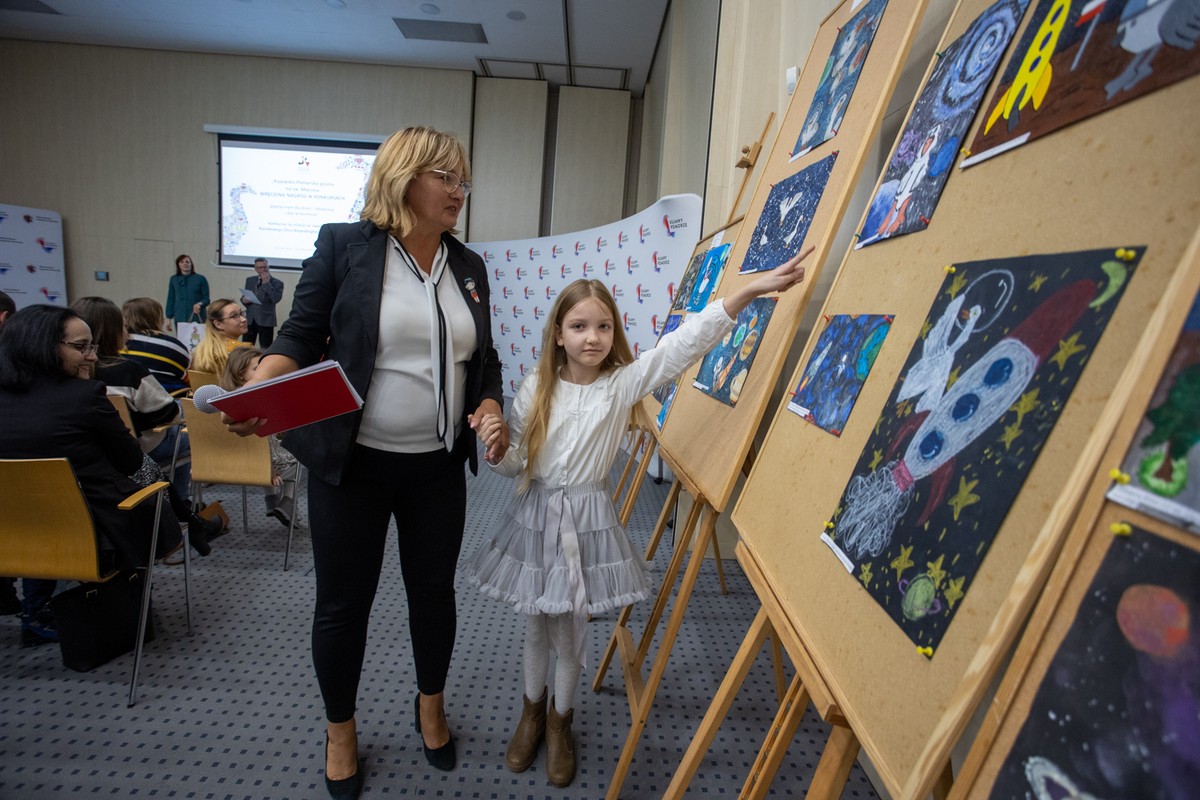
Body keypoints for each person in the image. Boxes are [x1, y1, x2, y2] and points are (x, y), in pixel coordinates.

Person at [222, 126, 507, 799]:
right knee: (343, 603)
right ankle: (341, 732)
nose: (459, 191)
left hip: (437, 466)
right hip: (353, 465)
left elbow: (484, 359)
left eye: (463, 180)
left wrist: (491, 406)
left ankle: (430, 707)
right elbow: (299, 335)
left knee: (433, 594)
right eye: (445, 177)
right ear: (403, 178)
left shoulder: (469, 266)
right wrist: (260, 385)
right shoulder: (343, 246)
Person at [463, 246, 813, 786]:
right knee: (536, 624)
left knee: (570, 631)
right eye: (579, 326)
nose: (592, 337)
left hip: (587, 522)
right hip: (536, 516)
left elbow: (681, 347)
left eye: (603, 326)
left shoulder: (621, 383)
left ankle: (559, 721)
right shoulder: (536, 387)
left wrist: (745, 292)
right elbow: (516, 465)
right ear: (558, 334)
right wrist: (496, 449)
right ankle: (530, 715)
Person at [0, 305, 184, 645]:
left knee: (41, 507)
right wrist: (169, 496)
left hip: (11, 537)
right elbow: (132, 462)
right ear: (43, 346)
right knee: (149, 490)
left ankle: (34, 611)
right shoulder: (83, 397)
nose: (92, 356)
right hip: (87, 537)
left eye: (92, 346)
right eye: (81, 347)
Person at [69, 296, 217, 555]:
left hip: (83, 461)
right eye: (123, 326)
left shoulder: (62, 377)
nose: (127, 332)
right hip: (136, 454)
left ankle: (182, 512)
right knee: (183, 432)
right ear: (112, 331)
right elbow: (168, 412)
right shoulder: (128, 371)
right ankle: (181, 508)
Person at [220, 346, 300, 527]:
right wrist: (267, 470)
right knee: (297, 451)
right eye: (258, 369)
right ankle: (287, 500)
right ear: (241, 374)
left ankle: (271, 497)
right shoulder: (260, 400)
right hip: (263, 463)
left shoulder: (223, 400)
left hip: (226, 462)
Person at [121, 297, 191, 396]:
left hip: (125, 402)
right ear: (157, 319)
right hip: (168, 400)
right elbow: (187, 377)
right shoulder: (172, 346)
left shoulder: (116, 345)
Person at [189, 298, 249, 376]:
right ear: (218, 324)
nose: (243, 319)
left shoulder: (201, 350)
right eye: (234, 316)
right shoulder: (242, 351)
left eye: (241, 313)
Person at [241, 258, 285, 348]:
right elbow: (246, 296)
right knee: (246, 347)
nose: (263, 270)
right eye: (260, 267)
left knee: (265, 347)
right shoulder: (250, 280)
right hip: (250, 318)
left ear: (268, 267)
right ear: (255, 269)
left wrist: (266, 283)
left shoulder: (277, 283)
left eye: (265, 267)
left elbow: (275, 299)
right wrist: (243, 300)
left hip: (266, 319)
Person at [165, 254, 210, 333]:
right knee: (181, 338)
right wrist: (168, 318)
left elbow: (206, 299)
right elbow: (171, 298)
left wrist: (199, 304)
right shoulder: (174, 279)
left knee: (196, 338)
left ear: (191, 264)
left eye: (187, 262)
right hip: (179, 316)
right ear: (178, 265)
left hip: (196, 316)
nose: (185, 264)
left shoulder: (201, 279)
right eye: (182, 262)